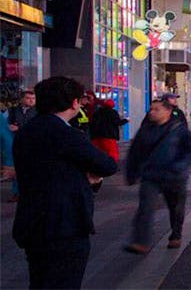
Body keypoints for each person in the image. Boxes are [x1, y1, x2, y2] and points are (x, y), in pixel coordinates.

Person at [11, 76, 119, 289]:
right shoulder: (66, 134)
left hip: (32, 222)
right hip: (64, 225)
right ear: (73, 103)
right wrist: (90, 177)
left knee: (40, 281)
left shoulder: (26, 132)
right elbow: (107, 165)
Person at [124, 93, 191, 254]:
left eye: (156, 109)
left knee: (176, 208)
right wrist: (131, 173)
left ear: (167, 112)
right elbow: (134, 152)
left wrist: (181, 165)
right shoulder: (145, 130)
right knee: (145, 207)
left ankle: (175, 235)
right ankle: (141, 242)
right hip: (151, 175)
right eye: (151, 109)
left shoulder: (178, 128)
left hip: (174, 176)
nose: (152, 112)